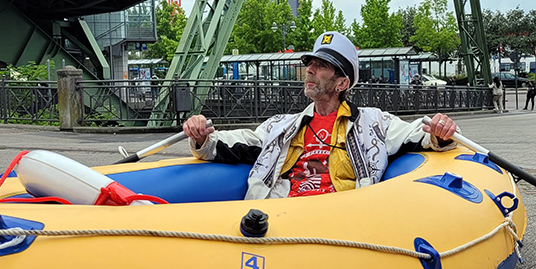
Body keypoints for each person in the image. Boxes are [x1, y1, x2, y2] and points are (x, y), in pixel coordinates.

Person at [182, 31, 458, 200]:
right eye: (310, 64)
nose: (310, 70)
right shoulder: (282, 125)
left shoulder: (374, 122)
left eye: (322, 65)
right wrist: (201, 134)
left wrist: (439, 130)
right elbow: (230, 144)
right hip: (279, 214)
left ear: (342, 83)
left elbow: (419, 134)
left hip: (337, 219)